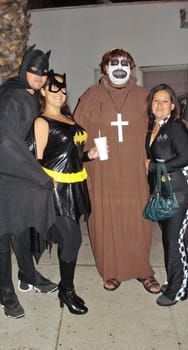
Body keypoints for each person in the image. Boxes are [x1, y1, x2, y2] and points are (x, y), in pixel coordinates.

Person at [0, 45, 58, 319]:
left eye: (43, 72)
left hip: (13, 165)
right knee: (0, 233)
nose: (39, 75)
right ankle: (5, 294)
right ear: (24, 69)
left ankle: (28, 274)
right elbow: (2, 143)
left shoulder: (24, 94)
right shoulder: (13, 96)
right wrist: (39, 176)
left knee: (20, 223)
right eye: (34, 70)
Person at [73, 48, 160, 293]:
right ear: (105, 67)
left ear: (132, 67)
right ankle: (111, 269)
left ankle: (142, 270)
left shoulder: (145, 96)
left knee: (137, 220)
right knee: (105, 219)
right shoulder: (91, 95)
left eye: (125, 62)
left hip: (134, 170)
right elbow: (77, 133)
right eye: (114, 62)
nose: (120, 66)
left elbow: (164, 125)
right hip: (102, 171)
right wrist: (82, 157)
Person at [25, 70, 98, 315]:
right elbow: (32, 159)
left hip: (75, 186)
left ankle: (65, 288)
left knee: (71, 238)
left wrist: (89, 155)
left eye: (63, 89)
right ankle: (66, 291)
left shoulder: (69, 119)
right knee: (73, 239)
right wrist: (45, 180)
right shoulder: (41, 121)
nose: (61, 93)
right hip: (55, 190)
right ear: (43, 91)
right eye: (54, 88)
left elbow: (72, 155)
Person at [145, 83, 188, 306]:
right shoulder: (154, 126)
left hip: (182, 189)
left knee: (174, 240)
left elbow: (186, 158)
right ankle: (176, 280)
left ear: (172, 105)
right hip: (166, 190)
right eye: (156, 100)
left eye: (164, 100)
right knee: (169, 240)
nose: (159, 105)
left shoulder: (176, 126)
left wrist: (152, 167)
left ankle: (179, 289)